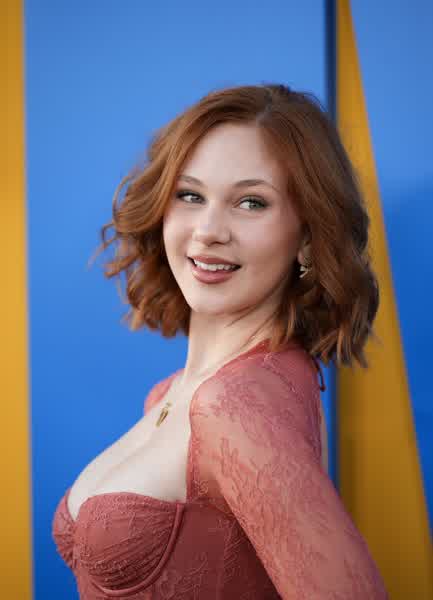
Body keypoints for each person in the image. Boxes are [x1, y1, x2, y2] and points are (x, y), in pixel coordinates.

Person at [52, 83, 388, 599]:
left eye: (251, 202)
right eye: (190, 195)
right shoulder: (171, 395)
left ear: (306, 237)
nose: (209, 230)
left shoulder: (235, 405)